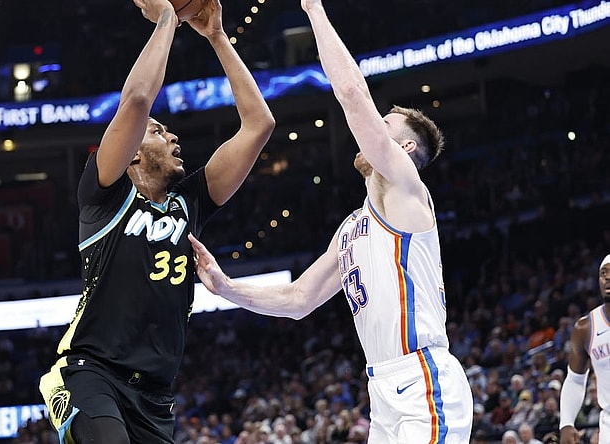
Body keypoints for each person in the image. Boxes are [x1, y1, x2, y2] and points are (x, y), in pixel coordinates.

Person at [188, 0, 473, 441]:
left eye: (383, 125)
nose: (371, 130)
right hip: (382, 389)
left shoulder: (407, 189)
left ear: (405, 150)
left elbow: (352, 94)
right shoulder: (350, 230)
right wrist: (226, 288)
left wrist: (313, 8)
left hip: (424, 380)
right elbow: (299, 298)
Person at [38, 0, 275, 442]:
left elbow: (259, 124)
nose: (173, 136)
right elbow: (138, 99)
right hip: (91, 375)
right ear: (131, 154)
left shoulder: (191, 202)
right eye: (158, 131)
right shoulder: (105, 192)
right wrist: (169, 16)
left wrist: (217, 38)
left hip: (156, 395)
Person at [559, 254, 610, 444]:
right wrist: (566, 423)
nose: (608, 277)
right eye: (603, 273)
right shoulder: (586, 328)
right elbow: (575, 380)